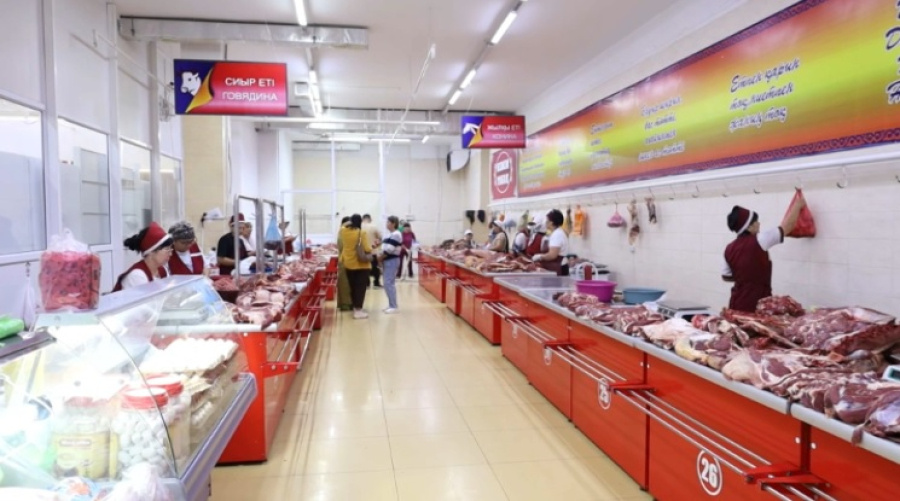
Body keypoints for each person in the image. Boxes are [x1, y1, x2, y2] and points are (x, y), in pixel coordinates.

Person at [722, 195, 806, 312]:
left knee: (737, 324)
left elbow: (726, 276)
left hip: (736, 303)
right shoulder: (760, 239)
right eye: (756, 222)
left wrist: (745, 278)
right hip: (757, 304)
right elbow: (787, 227)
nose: (759, 224)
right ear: (749, 227)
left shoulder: (729, 248)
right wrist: (798, 205)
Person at [113, 222, 173, 291]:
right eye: (167, 249)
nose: (170, 254)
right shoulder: (137, 276)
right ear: (151, 252)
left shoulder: (163, 270)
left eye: (171, 249)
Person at [339, 214, 373, 319]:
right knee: (360, 288)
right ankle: (358, 311)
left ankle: (355, 307)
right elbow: (367, 248)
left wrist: (351, 222)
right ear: (360, 222)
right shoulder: (361, 232)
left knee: (353, 287)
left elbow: (344, 225)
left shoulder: (343, 231)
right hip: (361, 264)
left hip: (348, 263)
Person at [533, 209, 569, 276]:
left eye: (547, 220)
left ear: (551, 222)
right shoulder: (557, 233)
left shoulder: (557, 234)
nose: (545, 222)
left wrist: (540, 257)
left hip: (559, 268)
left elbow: (552, 255)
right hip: (558, 266)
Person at [381, 216, 402, 313]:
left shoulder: (396, 234)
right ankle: (391, 304)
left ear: (394, 223)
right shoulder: (389, 235)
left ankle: (393, 306)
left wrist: (380, 257)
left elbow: (389, 249)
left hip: (392, 260)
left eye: (388, 222)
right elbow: (384, 247)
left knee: (388, 283)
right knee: (388, 283)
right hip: (387, 260)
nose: (387, 224)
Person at [335, 217, 352, 311]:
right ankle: (346, 304)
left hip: (343, 260)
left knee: (343, 283)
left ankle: (343, 304)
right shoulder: (344, 230)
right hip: (348, 260)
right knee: (346, 284)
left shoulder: (341, 231)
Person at [362, 214, 382, 288]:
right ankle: (376, 283)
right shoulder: (374, 226)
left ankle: (366, 283)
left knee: (364, 268)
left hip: (363, 252)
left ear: (362, 219)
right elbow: (380, 238)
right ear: (370, 219)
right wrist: (377, 246)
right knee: (375, 268)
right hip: (373, 251)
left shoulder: (359, 227)